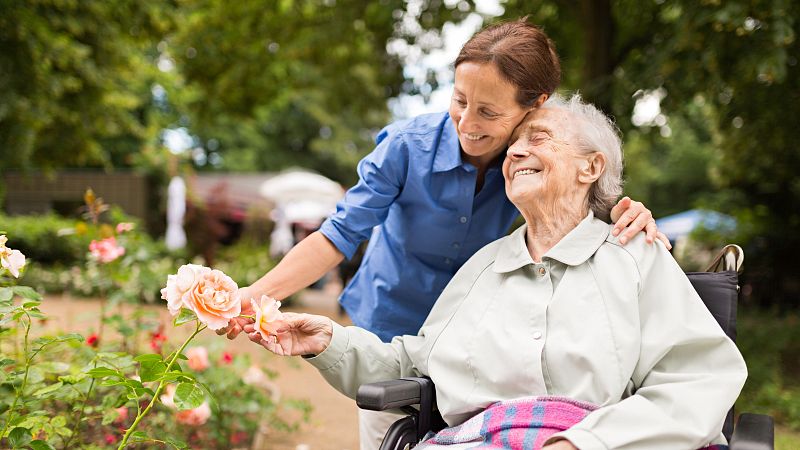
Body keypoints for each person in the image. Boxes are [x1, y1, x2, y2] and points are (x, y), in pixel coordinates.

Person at [223, 19, 668, 447]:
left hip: (473, 341)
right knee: (387, 431)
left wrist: (632, 211)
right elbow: (338, 235)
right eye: (459, 100)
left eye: (489, 112)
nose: (468, 123)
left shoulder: (528, 160)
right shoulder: (404, 147)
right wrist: (255, 295)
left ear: (534, 105)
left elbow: (586, 192)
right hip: (389, 321)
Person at [241, 94, 747, 449]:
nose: (517, 152)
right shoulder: (483, 266)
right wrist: (327, 341)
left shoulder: (636, 256)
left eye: (540, 138)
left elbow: (699, 379)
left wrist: (584, 443)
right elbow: (417, 368)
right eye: (514, 145)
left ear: (590, 168)